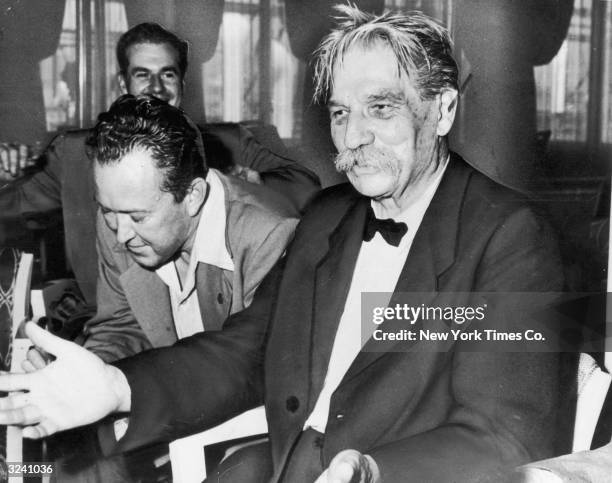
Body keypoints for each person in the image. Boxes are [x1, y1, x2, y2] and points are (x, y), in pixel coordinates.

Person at [0, 6, 563, 482]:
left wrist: (371, 471)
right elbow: (245, 350)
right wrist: (119, 385)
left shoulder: (512, 235)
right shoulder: (328, 215)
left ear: (441, 109)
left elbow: (502, 437)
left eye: (382, 107)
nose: (353, 136)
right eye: (341, 112)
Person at [0, 22, 319, 304]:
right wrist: (4, 177)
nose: (156, 88)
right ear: (123, 84)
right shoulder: (71, 154)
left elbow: (305, 186)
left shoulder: (230, 143)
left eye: (168, 74)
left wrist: (247, 184)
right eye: (143, 75)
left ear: (181, 85)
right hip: (110, 320)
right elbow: (11, 213)